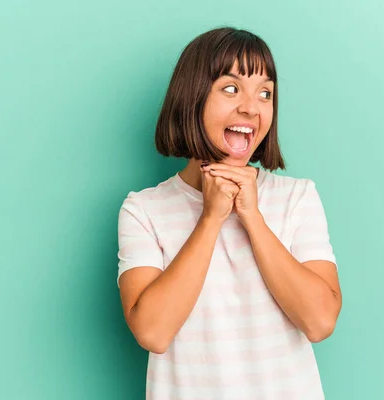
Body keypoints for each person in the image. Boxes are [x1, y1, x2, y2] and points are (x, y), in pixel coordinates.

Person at [116, 26, 342, 400]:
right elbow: (153, 333)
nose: (251, 108)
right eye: (231, 88)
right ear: (192, 98)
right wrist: (210, 218)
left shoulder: (297, 198)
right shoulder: (144, 210)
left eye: (265, 93)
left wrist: (251, 216)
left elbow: (319, 322)